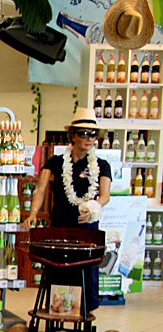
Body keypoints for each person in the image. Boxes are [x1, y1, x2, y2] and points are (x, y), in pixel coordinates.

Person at [23, 108, 111, 311]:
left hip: (87, 228)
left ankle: (84, 314)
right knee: (59, 270)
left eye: (93, 135)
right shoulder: (56, 162)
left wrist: (94, 206)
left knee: (85, 271)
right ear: (73, 135)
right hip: (60, 226)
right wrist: (33, 213)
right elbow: (41, 189)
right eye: (84, 134)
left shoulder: (102, 165)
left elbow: (105, 195)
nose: (89, 139)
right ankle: (58, 312)